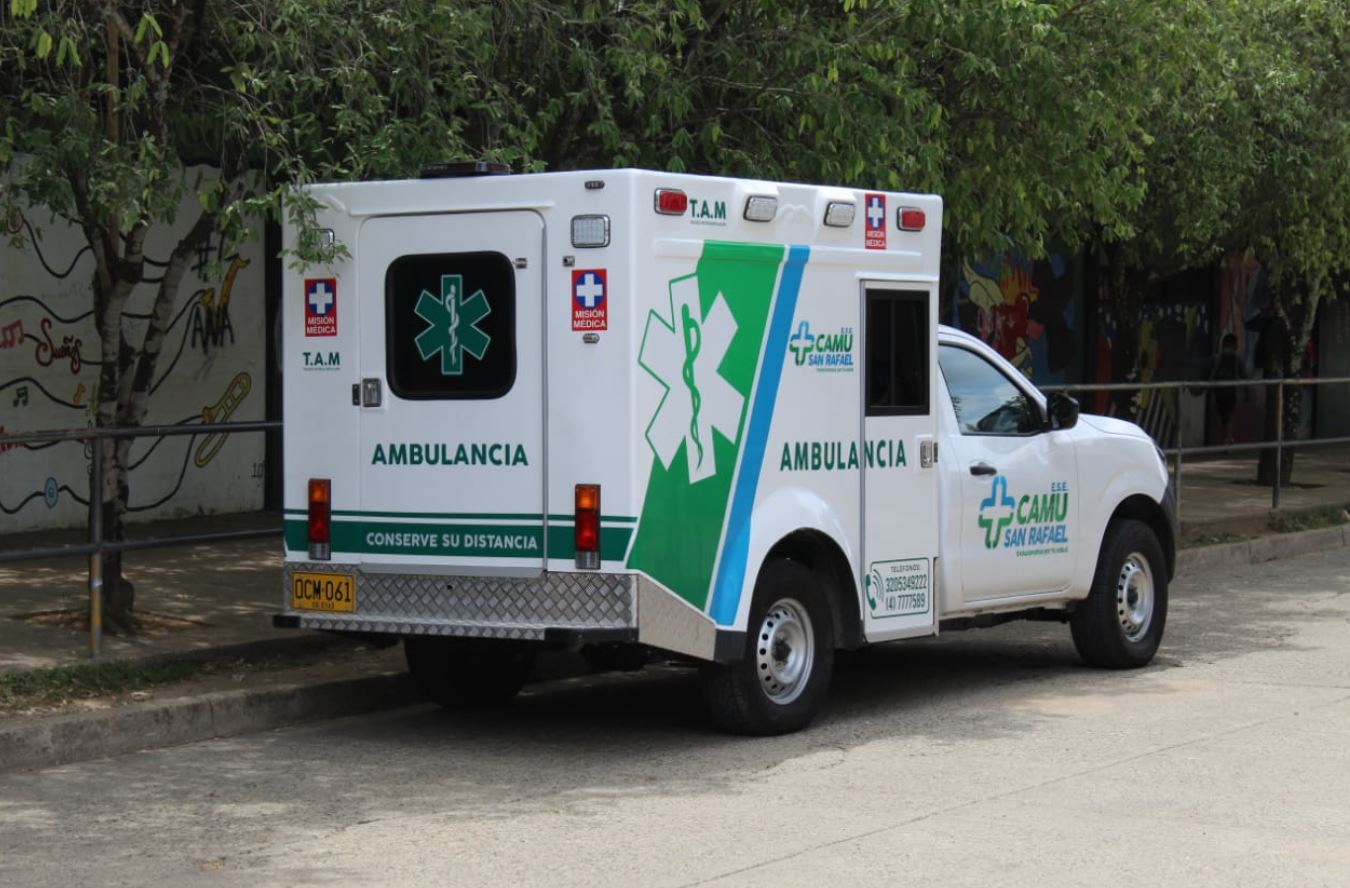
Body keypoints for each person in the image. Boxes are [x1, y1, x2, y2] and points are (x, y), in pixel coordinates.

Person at [1210, 333, 1244, 445]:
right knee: (1224, 416)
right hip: (1221, 391)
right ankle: (1225, 438)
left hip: (1229, 391)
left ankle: (1226, 438)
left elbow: (1243, 375)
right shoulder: (1219, 359)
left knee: (1228, 416)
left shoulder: (1236, 360)